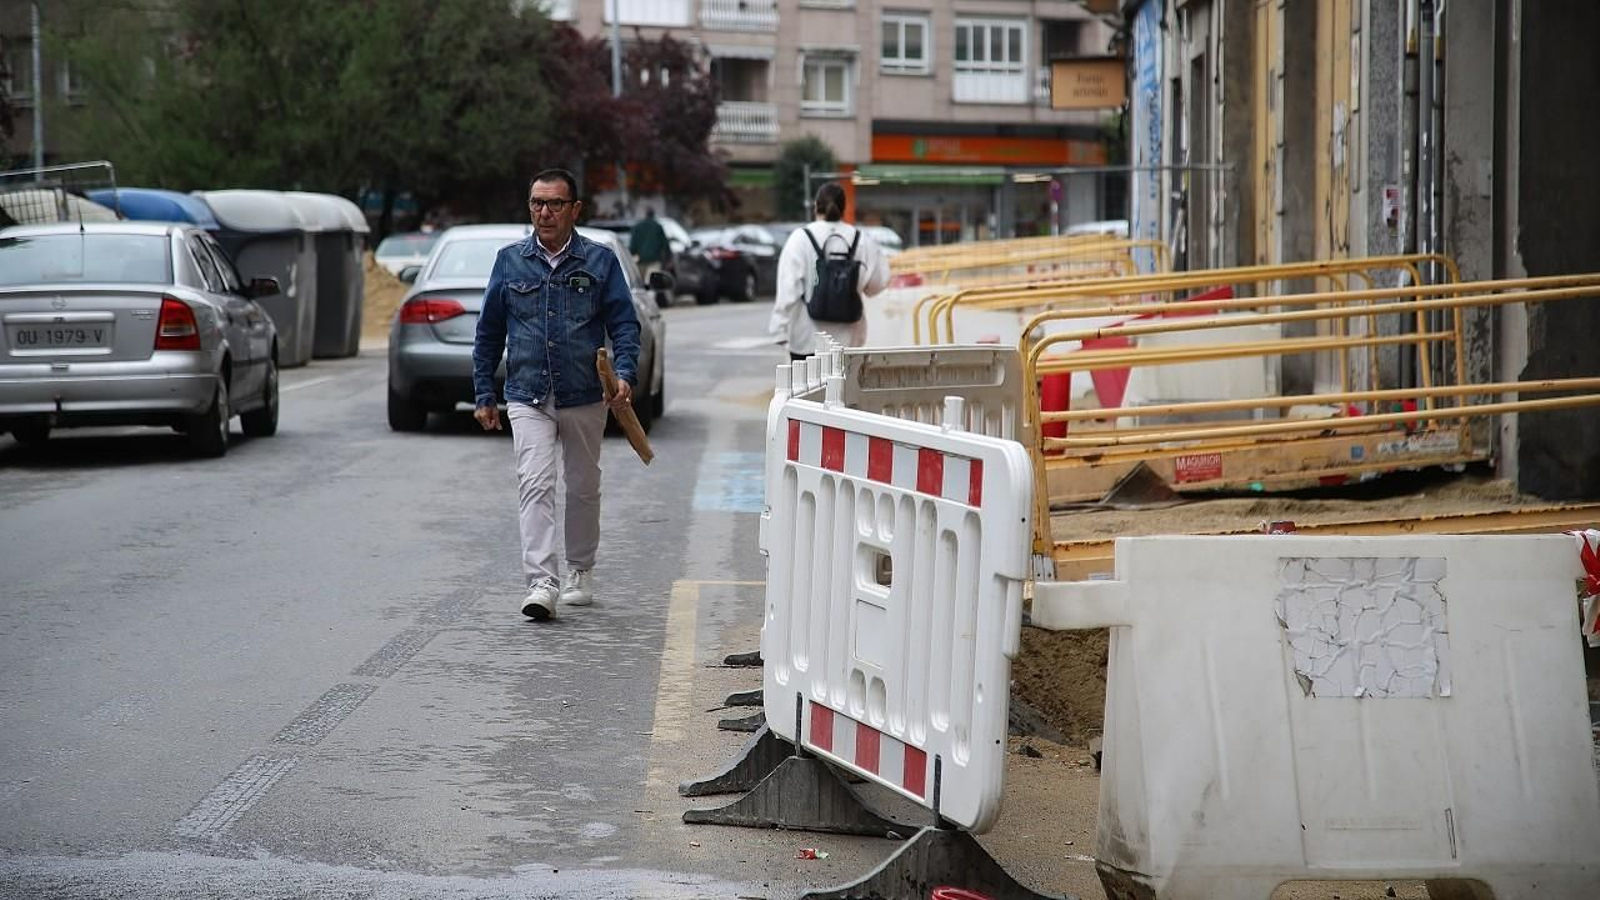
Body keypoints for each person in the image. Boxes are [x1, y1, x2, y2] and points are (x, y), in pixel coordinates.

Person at [472, 168, 641, 622]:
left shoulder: (600, 262)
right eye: (536, 204)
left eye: (554, 204)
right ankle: (541, 581)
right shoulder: (509, 261)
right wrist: (484, 392)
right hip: (528, 393)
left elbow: (625, 324)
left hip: (585, 393)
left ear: (575, 210)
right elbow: (488, 332)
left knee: (584, 487)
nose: (544, 213)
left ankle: (580, 570)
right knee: (535, 482)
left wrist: (624, 373)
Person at [769, 182, 890, 361]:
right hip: (849, 341)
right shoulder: (861, 239)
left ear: (816, 206)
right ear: (843, 209)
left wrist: (779, 329)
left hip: (806, 339)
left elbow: (788, 287)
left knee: (807, 389)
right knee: (843, 388)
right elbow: (878, 284)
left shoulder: (800, 239)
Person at [629, 206, 670, 281]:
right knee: (652, 283)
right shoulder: (658, 227)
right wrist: (667, 258)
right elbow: (665, 245)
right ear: (653, 215)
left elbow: (633, 246)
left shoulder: (637, 227)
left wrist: (632, 255)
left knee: (640, 283)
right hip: (654, 260)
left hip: (640, 260)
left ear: (645, 215)